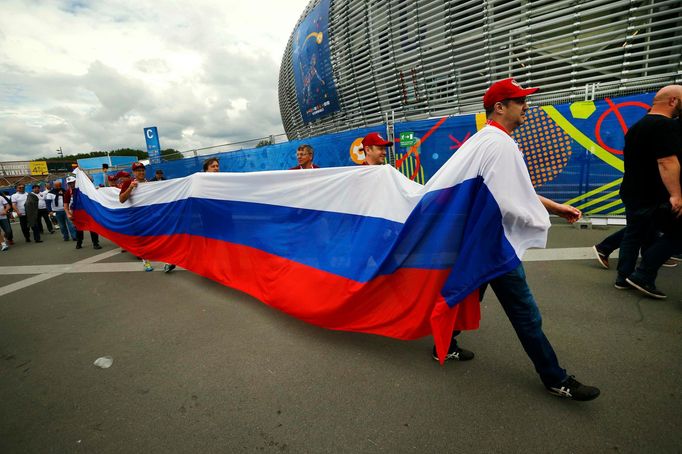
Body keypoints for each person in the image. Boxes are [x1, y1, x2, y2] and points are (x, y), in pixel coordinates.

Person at [435, 78, 599, 400]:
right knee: (525, 312)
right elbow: (509, 199)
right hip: (495, 244)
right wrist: (538, 220)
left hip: (482, 243)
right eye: (520, 101)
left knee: (469, 292)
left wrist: (553, 207)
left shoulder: (488, 140)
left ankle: (446, 343)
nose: (526, 106)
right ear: (500, 107)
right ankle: (555, 378)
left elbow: (514, 190)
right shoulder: (499, 145)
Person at [615, 84, 682, 298]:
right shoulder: (665, 126)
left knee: (634, 234)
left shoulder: (637, 126)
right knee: (676, 234)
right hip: (653, 193)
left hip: (632, 190)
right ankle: (643, 275)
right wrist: (676, 194)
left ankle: (623, 277)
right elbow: (666, 161)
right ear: (673, 101)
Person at [119, 162, 153, 271]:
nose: (141, 172)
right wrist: (130, 188)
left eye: (142, 170)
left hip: (150, 215)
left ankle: (152, 254)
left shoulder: (150, 183)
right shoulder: (128, 183)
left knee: (152, 237)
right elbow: (121, 200)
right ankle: (146, 261)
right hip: (137, 216)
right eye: (138, 170)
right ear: (134, 172)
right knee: (142, 239)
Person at [64, 176, 102, 250]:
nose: (71, 184)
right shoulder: (68, 192)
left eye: (72, 182)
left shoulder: (84, 189)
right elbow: (65, 205)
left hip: (88, 211)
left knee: (93, 227)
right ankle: (79, 243)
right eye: (69, 183)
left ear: (76, 182)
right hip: (76, 212)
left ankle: (95, 243)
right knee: (79, 228)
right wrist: (68, 213)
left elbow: (91, 182)